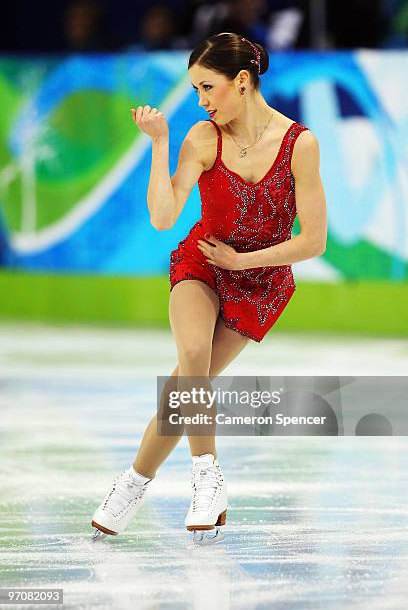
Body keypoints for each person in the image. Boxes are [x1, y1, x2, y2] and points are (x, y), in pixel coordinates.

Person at [91, 32, 327, 544]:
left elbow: (313, 241)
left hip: (260, 281)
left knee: (183, 385)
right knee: (192, 352)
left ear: (241, 82)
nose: (201, 101)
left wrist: (246, 260)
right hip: (202, 263)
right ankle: (207, 475)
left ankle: (133, 482)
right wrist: (158, 142)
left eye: (207, 88)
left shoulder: (299, 144)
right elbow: (163, 217)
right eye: (195, 90)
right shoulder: (202, 137)